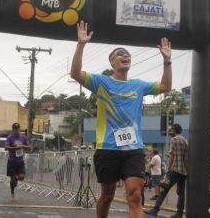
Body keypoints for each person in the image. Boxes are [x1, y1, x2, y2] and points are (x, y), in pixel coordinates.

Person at [70, 20, 172, 218]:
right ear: (113, 62)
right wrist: (81, 45)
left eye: (128, 55)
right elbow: (75, 73)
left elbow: (165, 86)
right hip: (107, 148)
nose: (125, 57)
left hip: (133, 149)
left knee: (135, 195)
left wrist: (167, 61)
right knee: (107, 196)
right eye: (120, 55)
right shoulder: (102, 82)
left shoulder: (138, 85)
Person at [145, 124, 188, 218]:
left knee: (163, 189)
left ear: (174, 130)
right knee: (181, 192)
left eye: (171, 130)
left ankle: (155, 210)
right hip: (183, 171)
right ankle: (179, 213)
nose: (169, 132)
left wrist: (168, 169)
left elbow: (172, 155)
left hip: (175, 169)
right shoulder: (185, 140)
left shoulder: (174, 139)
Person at [4, 123, 31, 201]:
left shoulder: (23, 137)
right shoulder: (10, 137)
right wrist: (14, 148)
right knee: (12, 181)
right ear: (13, 130)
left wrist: (22, 146)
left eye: (18, 129)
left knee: (22, 177)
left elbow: (29, 147)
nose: (17, 130)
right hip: (12, 161)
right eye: (15, 129)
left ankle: (16, 178)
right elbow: (5, 147)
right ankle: (12, 193)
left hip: (20, 161)